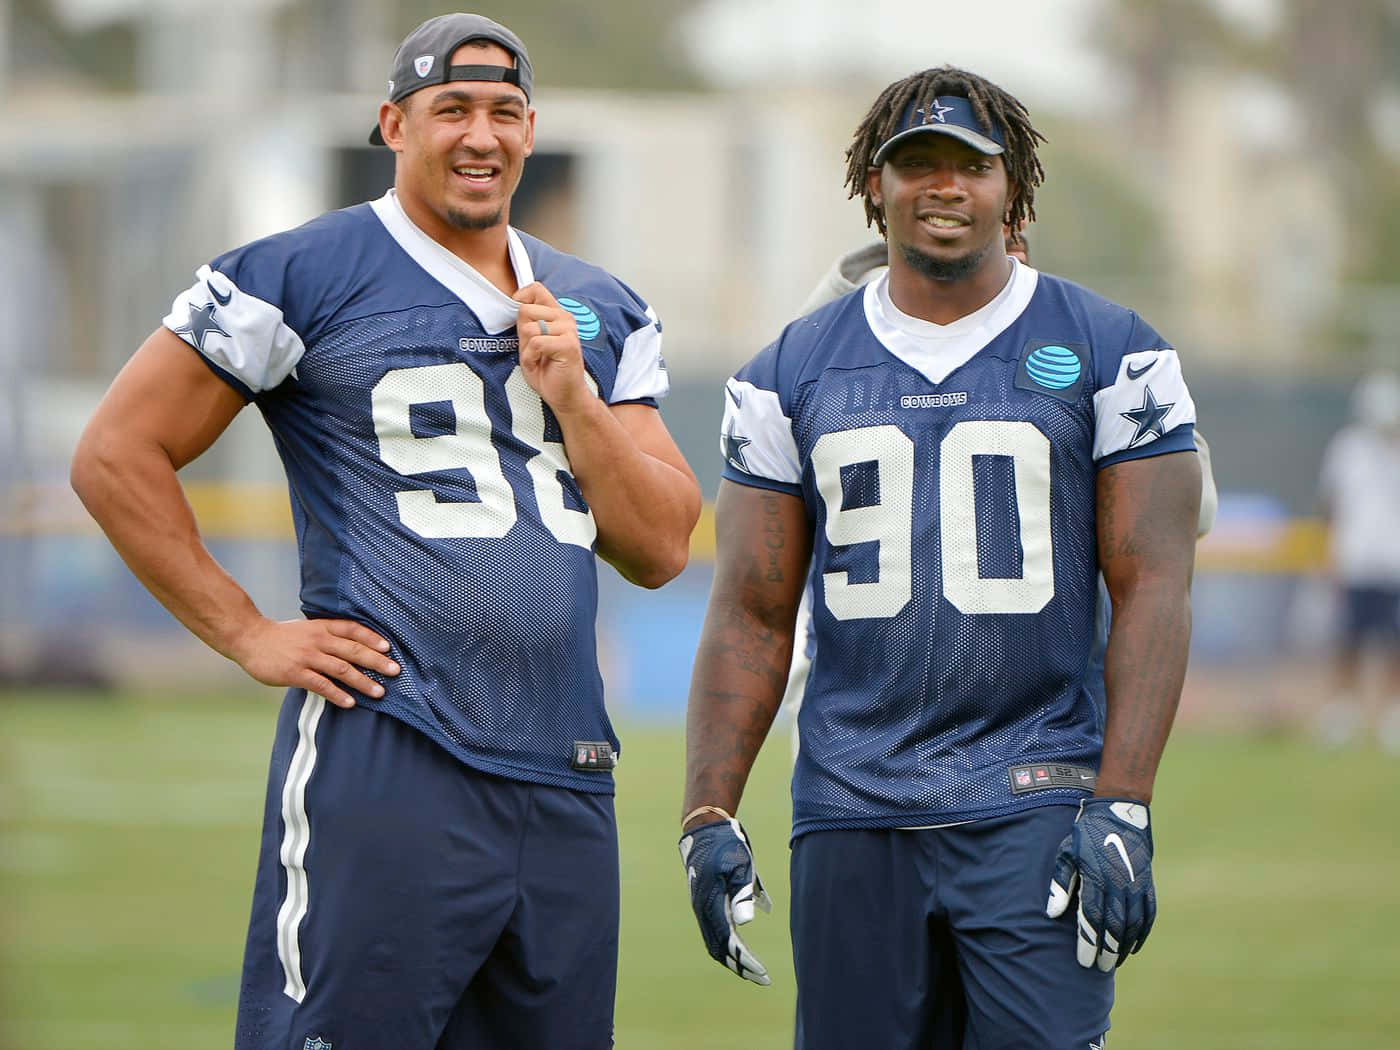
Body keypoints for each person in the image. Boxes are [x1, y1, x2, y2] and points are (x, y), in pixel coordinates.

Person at [70, 13, 700, 1049]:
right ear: (394, 125)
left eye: (503, 112)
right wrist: (246, 631)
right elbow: (114, 453)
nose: (480, 135)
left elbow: (662, 546)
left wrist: (576, 400)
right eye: (451, 109)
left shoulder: (596, 304)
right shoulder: (301, 272)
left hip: (567, 765)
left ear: (530, 131)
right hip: (394, 747)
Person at [678, 67, 1201, 1049]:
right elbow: (750, 609)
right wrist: (708, 811)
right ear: (873, 185)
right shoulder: (786, 371)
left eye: (970, 165)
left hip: (1034, 796)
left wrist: (1124, 802)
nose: (944, 186)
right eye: (916, 163)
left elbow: (1153, 587)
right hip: (850, 806)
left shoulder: (1110, 349)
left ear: (1014, 188)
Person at [1316, 369, 1400, 752]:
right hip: (1355, 560)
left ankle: (1392, 712)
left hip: (1393, 563)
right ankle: (1343, 709)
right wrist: (1329, 557)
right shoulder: (1347, 448)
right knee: (1347, 640)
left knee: (1394, 642)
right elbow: (1331, 505)